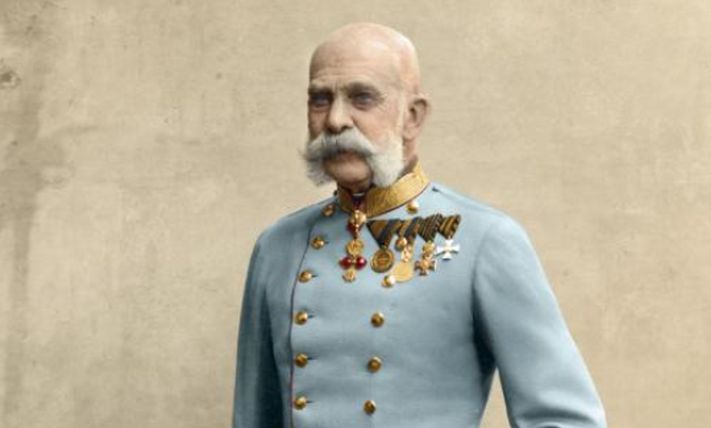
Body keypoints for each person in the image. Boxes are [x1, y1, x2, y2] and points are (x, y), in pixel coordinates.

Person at [232, 22, 606, 428]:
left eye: (362, 98)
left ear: (412, 116)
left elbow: (566, 419)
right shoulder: (277, 246)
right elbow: (253, 418)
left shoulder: (484, 241)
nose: (336, 120)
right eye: (320, 100)